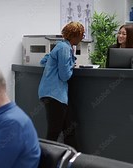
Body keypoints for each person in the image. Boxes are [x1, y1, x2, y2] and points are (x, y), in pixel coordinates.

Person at [38, 21, 84, 149]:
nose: (82, 38)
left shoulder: (60, 46)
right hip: (55, 95)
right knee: (53, 133)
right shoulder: (64, 48)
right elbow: (65, 75)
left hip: (53, 94)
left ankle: (75, 160)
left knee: (69, 129)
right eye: (82, 35)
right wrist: (72, 64)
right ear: (75, 35)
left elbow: (43, 61)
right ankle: (42, 160)